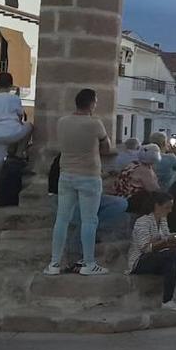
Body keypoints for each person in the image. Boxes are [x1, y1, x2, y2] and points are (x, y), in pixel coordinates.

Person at [45, 89, 112, 275]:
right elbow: (107, 148)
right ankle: (89, 263)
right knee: (89, 221)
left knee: (62, 219)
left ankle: (54, 263)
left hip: (66, 175)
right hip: (89, 176)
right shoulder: (95, 124)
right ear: (91, 104)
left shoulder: (63, 122)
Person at [0, 73, 32, 201]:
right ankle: (18, 153)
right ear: (11, 85)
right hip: (12, 133)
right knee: (29, 126)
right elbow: (20, 115)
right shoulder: (14, 99)